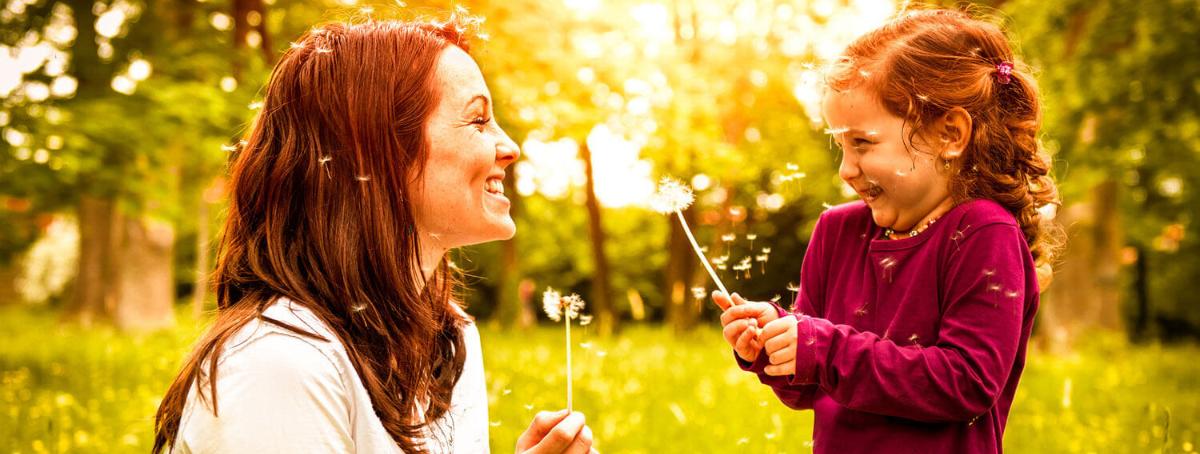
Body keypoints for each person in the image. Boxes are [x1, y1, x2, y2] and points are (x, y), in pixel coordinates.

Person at [152, 15, 594, 454]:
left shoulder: (448, 342)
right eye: (478, 121)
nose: (509, 147)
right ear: (377, 151)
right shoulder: (279, 363)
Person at [714, 7, 1061, 453]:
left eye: (862, 142)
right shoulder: (835, 233)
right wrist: (774, 347)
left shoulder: (984, 234)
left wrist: (823, 349)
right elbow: (813, 387)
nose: (845, 169)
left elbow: (967, 382)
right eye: (840, 145)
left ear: (949, 134)